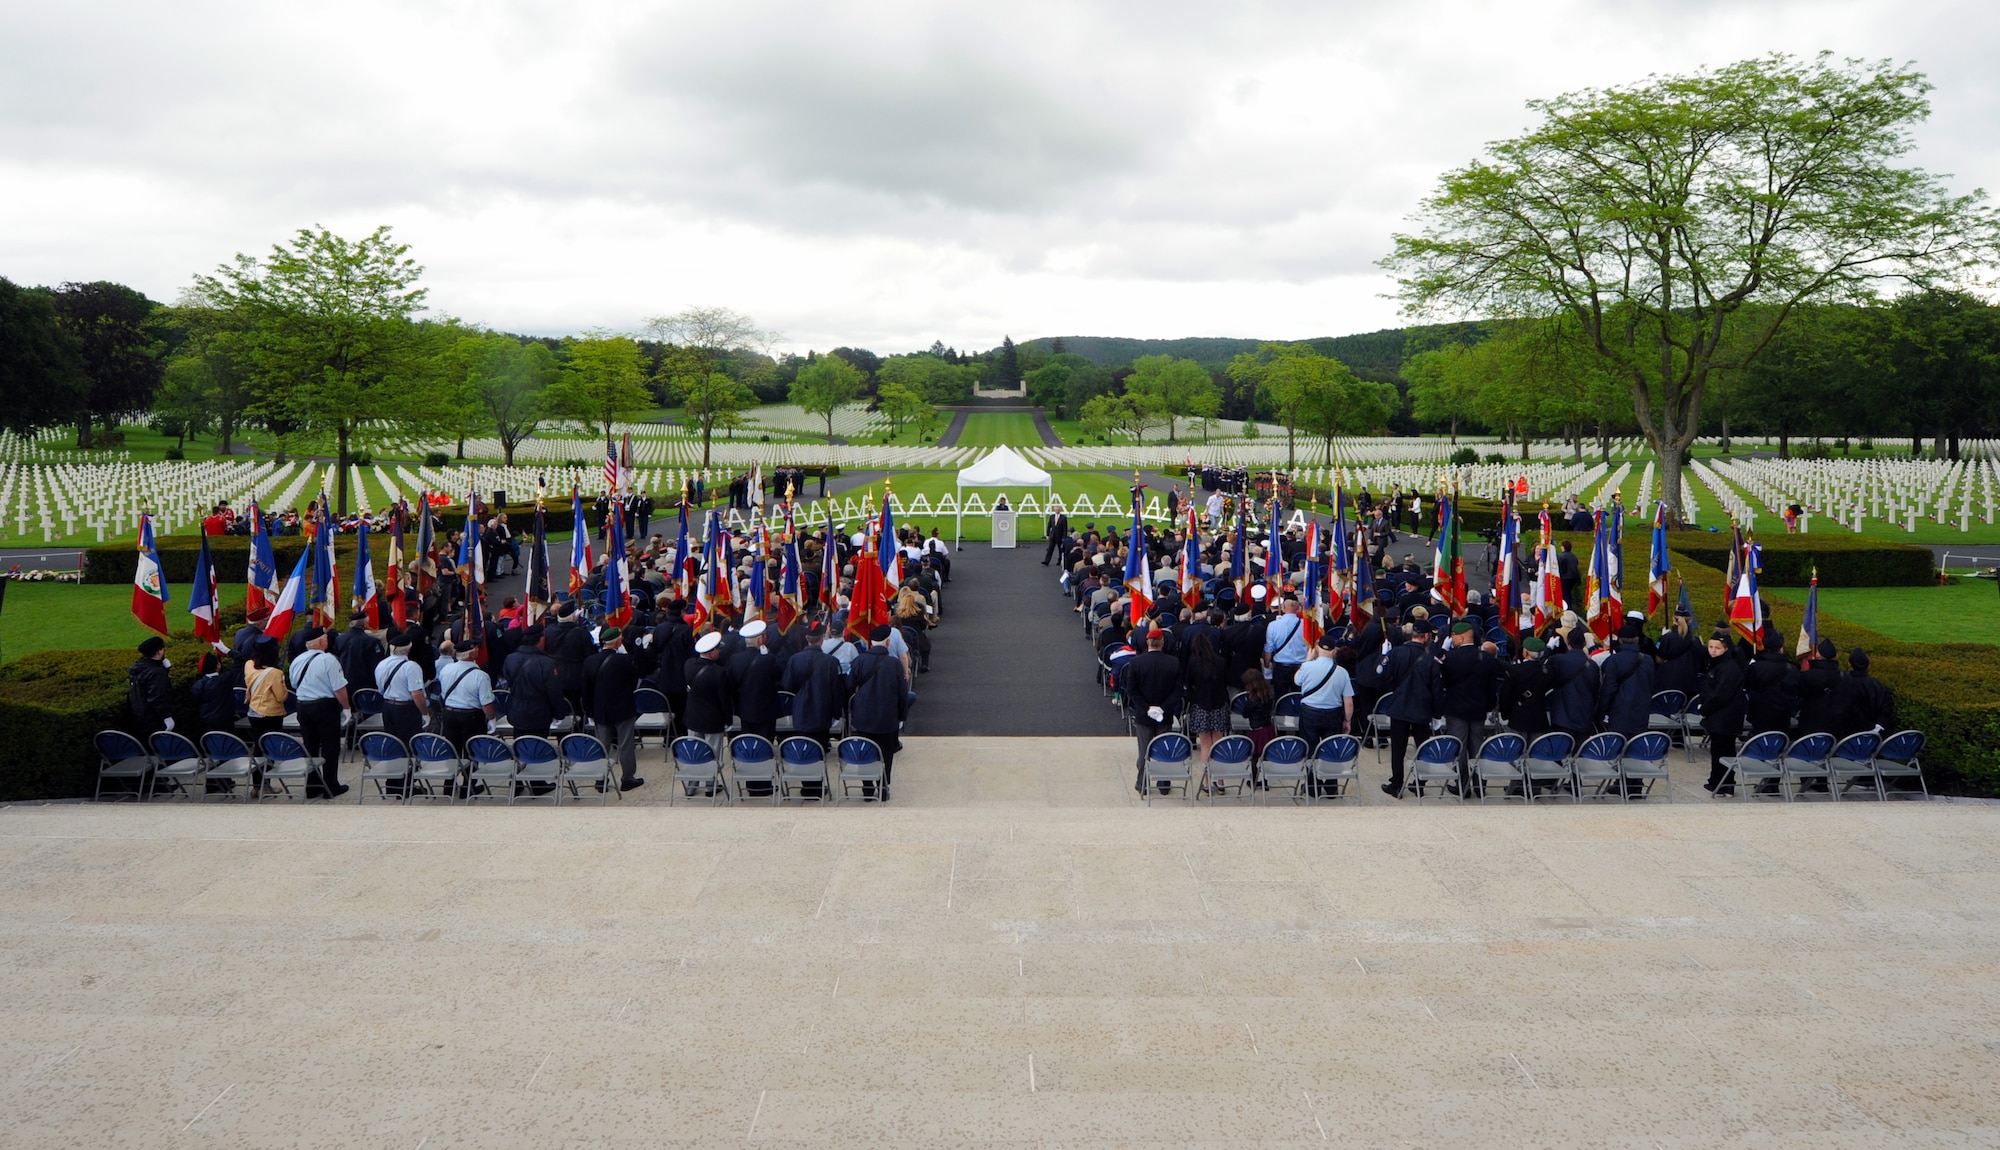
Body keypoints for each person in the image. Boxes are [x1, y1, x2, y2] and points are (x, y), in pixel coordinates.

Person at [848, 625, 911, 800]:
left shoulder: (860, 661)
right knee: (887, 753)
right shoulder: (894, 664)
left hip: (863, 716)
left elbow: (848, 686)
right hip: (887, 716)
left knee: (865, 750)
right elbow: (902, 693)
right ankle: (883, 787)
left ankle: (867, 787)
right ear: (888, 642)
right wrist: (901, 716)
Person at [288, 627, 351, 799]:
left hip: (303, 705)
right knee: (330, 746)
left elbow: (293, 683)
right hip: (324, 706)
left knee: (311, 745)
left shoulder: (297, 660)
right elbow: (339, 688)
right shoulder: (328, 660)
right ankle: (331, 786)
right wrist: (346, 708)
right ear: (322, 642)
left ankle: (313, 786)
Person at [1382, 622, 1442, 798]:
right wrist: (1437, 714)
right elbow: (1437, 690)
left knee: (1398, 748)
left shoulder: (1396, 653)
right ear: (1425, 636)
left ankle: (1396, 783)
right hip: (1422, 709)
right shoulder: (1431, 659)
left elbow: (1384, 677)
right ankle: (1419, 783)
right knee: (1422, 748)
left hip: (1399, 707)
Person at [1123, 627, 1184, 792]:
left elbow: (1131, 690)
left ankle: (1142, 784)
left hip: (1144, 715)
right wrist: (1162, 708)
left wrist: (1146, 708)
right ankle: (1164, 785)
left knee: (1144, 751)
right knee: (1164, 750)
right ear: (1162, 643)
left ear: (1147, 642)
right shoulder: (1173, 662)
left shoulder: (1136, 662)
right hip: (1165, 715)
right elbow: (1177, 691)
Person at [1438, 621, 1492, 793]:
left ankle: (1462, 785)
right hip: (1478, 709)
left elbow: (1443, 678)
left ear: (1460, 638)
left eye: (1453, 636)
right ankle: (1479, 785)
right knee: (1477, 747)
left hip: (1456, 709)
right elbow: (1491, 687)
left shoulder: (1451, 658)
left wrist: (1442, 650)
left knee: (1459, 748)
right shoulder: (1486, 658)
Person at [590, 627, 644, 792]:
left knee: (602, 745)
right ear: (618, 642)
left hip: (600, 709)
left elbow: (586, 689)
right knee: (625, 744)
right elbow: (634, 680)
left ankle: (601, 779)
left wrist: (589, 709)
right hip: (622, 707)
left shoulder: (590, 660)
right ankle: (627, 778)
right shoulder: (624, 660)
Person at [783, 621, 847, 750]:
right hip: (822, 713)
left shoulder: (795, 659)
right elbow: (836, 690)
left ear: (807, 638)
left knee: (804, 751)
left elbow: (787, 685)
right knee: (820, 751)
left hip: (801, 712)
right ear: (822, 639)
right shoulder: (831, 662)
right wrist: (836, 714)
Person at [1700, 632, 1748, 795]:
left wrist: (1704, 709)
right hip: (1722, 716)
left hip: (1724, 717)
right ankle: (1723, 782)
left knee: (1722, 750)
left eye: (1717, 648)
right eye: (1710, 647)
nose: (1713, 651)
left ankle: (1720, 783)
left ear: (1726, 649)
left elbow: (1721, 695)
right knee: (1722, 750)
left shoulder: (1728, 667)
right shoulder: (1718, 665)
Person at [1294, 633, 1355, 757]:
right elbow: (1349, 702)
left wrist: (1307, 660)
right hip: (1332, 715)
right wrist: (1347, 721)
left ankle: (1311, 776)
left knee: (1309, 750)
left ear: (1316, 648)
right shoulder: (1342, 672)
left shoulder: (1307, 667)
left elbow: (1297, 680)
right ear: (1334, 652)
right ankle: (1330, 776)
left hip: (1309, 713)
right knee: (1331, 751)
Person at [728, 619, 786, 743]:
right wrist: (766, 656)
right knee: (765, 743)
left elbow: (731, 684)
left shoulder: (734, 659)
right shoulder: (768, 659)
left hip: (744, 708)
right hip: (766, 710)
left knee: (748, 742)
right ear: (760, 640)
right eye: (764, 636)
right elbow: (778, 675)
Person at [504, 625, 565, 740]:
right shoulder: (548, 663)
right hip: (540, 713)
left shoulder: (510, 659)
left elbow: (508, 679)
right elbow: (554, 691)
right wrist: (559, 714)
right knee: (538, 748)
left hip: (517, 711)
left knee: (520, 745)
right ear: (541, 640)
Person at [682, 631, 734, 766]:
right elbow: (724, 699)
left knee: (693, 755)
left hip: (693, 717)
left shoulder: (688, 664)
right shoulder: (719, 672)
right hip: (712, 720)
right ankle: (711, 785)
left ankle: (692, 784)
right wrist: (728, 720)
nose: (720, 652)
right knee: (712, 756)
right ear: (711, 653)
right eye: (717, 649)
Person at [435, 642, 495, 757]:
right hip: (471, 717)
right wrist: (492, 719)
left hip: (449, 714)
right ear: (472, 655)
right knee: (473, 752)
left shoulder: (447, 669)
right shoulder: (480, 676)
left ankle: (454, 772)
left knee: (453, 752)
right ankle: (470, 774)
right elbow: (486, 703)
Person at [1181, 630, 1233, 761]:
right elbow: (1226, 681)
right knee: (1218, 744)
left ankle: (1207, 780)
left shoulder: (1193, 663)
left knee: (1205, 745)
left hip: (1200, 705)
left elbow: (1188, 683)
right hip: (1219, 704)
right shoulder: (1221, 662)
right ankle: (1219, 780)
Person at [374, 630, 430, 748]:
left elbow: (380, 688)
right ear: (408, 649)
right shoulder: (411, 667)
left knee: (394, 744)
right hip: (406, 709)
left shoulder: (381, 664)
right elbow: (416, 693)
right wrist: (425, 713)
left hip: (388, 706)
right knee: (410, 746)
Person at [127, 636, 176, 738]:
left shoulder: (139, 667)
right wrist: (166, 717)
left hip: (140, 716)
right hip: (154, 719)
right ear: (159, 652)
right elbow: (157, 696)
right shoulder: (156, 672)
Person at [1262, 599, 1308, 697]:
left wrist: (1266, 666)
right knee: (1299, 696)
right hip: (1301, 667)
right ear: (1298, 608)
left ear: (1283, 607)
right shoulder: (1306, 625)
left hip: (1281, 667)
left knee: (1280, 697)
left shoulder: (1273, 625)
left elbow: (1268, 649)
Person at [1844, 649, 1892, 737]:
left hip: (1845, 737)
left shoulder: (1841, 683)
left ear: (1849, 665)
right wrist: (1875, 731)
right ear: (1868, 666)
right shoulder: (1878, 685)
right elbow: (1885, 711)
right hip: (1872, 738)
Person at [336, 613, 384, 698]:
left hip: (344, 684)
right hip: (366, 687)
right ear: (365, 624)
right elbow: (377, 666)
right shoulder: (371, 642)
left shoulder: (339, 639)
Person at [190, 652, 236, 737]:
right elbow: (239, 662)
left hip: (206, 721)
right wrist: (226, 650)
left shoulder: (197, 685)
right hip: (225, 720)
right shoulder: (225, 679)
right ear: (218, 665)